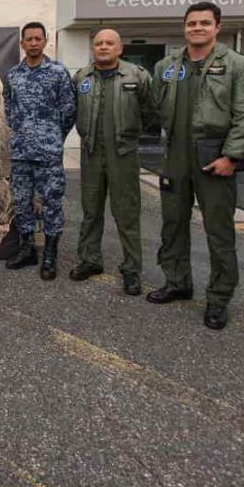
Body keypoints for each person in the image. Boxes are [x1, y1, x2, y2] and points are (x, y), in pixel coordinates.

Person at [149, 3, 244, 331]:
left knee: (219, 232)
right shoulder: (167, 66)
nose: (197, 28)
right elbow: (157, 106)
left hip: (214, 159)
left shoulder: (238, 66)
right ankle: (177, 281)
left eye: (204, 23)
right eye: (191, 23)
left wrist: (233, 156)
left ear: (217, 27)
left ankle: (219, 297)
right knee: (172, 224)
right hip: (175, 157)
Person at [69, 28, 156, 294]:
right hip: (91, 152)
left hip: (124, 154)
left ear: (120, 48)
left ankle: (131, 270)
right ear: (93, 48)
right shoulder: (82, 77)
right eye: (98, 43)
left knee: (126, 214)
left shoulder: (137, 76)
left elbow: (151, 112)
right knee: (91, 211)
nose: (103, 47)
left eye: (109, 43)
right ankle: (89, 260)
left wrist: (130, 136)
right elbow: (72, 110)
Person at [2, 22, 76, 280]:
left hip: (48, 154)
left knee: (51, 205)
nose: (33, 43)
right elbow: (9, 108)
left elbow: (68, 111)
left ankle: (50, 257)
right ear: (22, 43)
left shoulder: (57, 72)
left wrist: (53, 136)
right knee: (22, 204)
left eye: (38, 38)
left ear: (45, 42)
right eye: (29, 39)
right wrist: (22, 133)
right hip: (21, 153)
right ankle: (27, 250)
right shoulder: (14, 75)